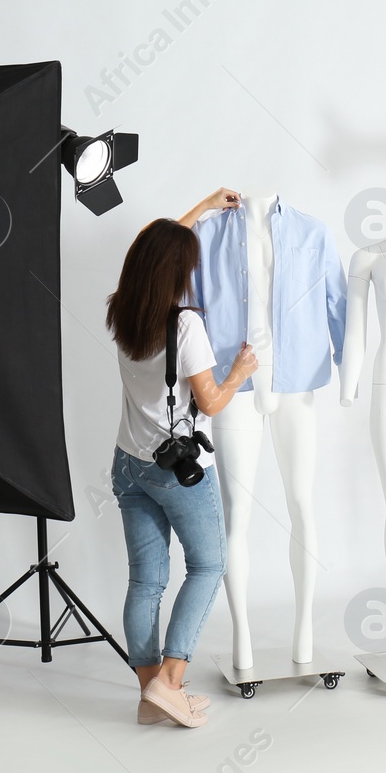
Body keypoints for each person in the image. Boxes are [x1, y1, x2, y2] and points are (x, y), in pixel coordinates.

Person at [105, 188, 257, 728]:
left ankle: (150, 693)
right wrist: (241, 371)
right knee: (209, 564)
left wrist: (202, 207)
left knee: (146, 579)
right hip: (177, 473)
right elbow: (211, 401)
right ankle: (170, 683)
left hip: (128, 464)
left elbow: (154, 243)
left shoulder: (123, 309)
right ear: (178, 271)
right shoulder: (186, 325)